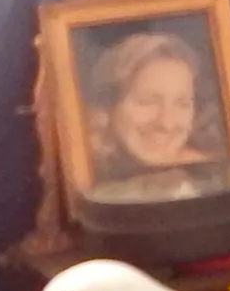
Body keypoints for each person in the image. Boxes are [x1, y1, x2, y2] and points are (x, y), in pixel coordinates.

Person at [83, 31, 218, 181]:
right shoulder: (83, 175)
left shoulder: (213, 181)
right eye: (148, 102)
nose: (166, 123)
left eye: (182, 104)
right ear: (109, 106)